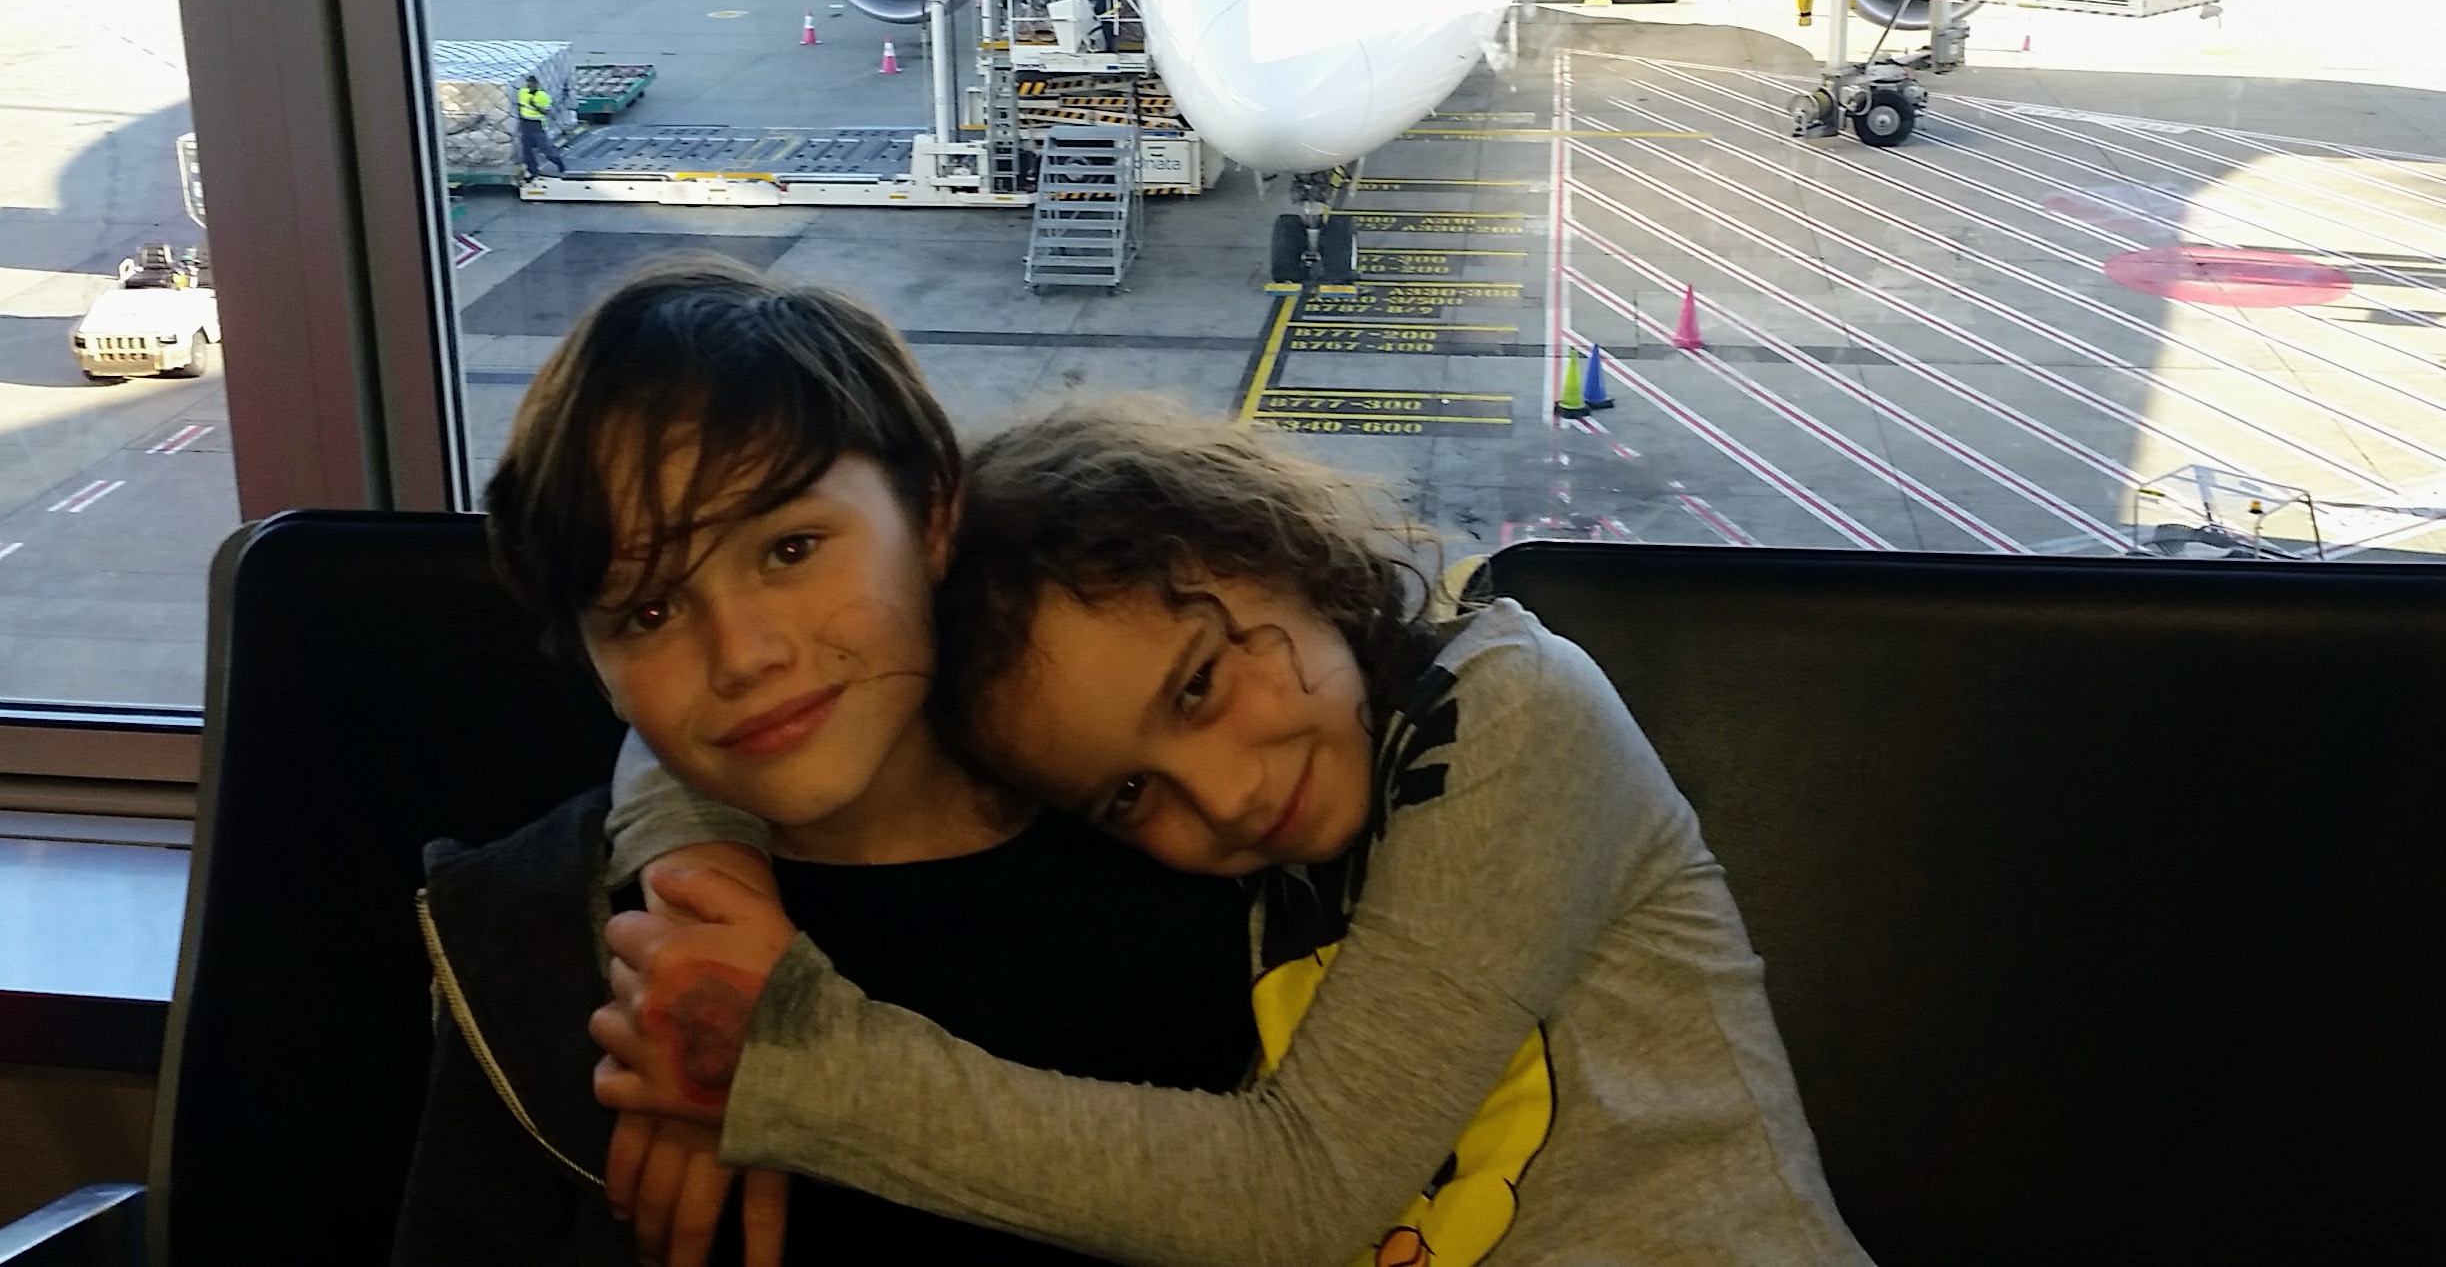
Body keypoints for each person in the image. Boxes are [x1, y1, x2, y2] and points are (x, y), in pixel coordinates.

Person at [596, 400, 1875, 1267]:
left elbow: (1300, 1190)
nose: (1220, 798)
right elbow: (795, 700)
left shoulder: (1503, 713)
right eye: (1127, 796)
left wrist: (784, 1071)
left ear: (1278, 552)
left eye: (1201, 683)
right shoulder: (1203, 823)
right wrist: (695, 897)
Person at [391, 264, 1256, 1267]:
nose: (744, 654)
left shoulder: (1183, 840)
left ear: (933, 512)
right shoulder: (538, 957)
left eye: (791, 549)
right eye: (650, 612)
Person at [516, 72, 569, 180]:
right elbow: (519, 105)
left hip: (537, 125)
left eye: (532, 84)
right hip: (525, 124)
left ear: (536, 84)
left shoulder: (543, 96)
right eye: (528, 83)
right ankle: (533, 171)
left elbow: (546, 112)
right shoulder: (522, 92)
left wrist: (535, 105)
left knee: (545, 149)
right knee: (527, 151)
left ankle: (559, 163)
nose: (530, 85)